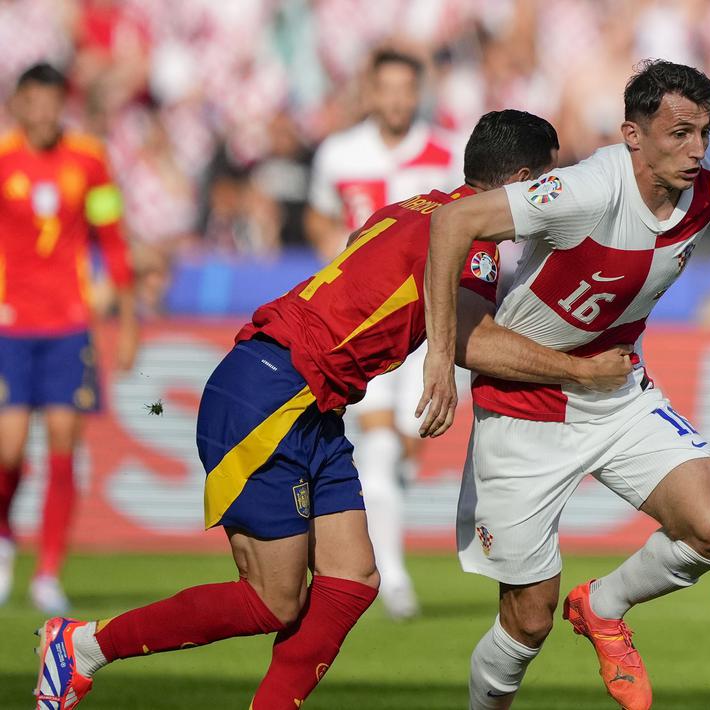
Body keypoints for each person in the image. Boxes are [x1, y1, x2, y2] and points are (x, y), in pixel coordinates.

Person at [33, 110, 633, 710]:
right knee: (272, 600)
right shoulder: (473, 244)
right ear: (524, 181)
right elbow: (472, 342)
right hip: (274, 392)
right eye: (549, 182)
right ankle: (83, 647)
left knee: (352, 578)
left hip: (310, 398)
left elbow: (356, 255)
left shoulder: (415, 207)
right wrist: (583, 371)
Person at [418, 60, 710, 710]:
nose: (697, 150)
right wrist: (440, 357)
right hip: (524, 408)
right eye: (678, 134)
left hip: (616, 393)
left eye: (703, 132)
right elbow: (451, 223)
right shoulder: (586, 190)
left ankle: (603, 607)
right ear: (632, 136)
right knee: (527, 622)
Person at [306, 48, 461, 620]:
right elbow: (320, 215)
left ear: (417, 93)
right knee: (376, 446)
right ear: (370, 92)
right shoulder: (338, 152)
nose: (396, 99)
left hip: (426, 323)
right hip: (364, 323)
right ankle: (391, 578)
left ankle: (379, 543)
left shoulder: (447, 154)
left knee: (406, 449)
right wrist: (338, 254)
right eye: (386, 88)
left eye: (405, 89)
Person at [0, 63, 139, 614]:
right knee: (8, 447)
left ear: (63, 105)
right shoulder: (3, 158)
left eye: (53, 101)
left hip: (69, 324)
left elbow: (113, 238)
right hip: (9, 324)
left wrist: (127, 322)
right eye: (33, 101)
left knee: (63, 441)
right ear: (18, 104)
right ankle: (4, 536)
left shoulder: (90, 160)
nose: (43, 112)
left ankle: (48, 571)